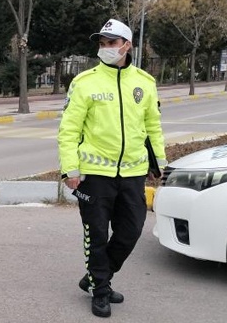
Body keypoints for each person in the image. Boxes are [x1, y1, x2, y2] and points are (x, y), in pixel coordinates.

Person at [57, 19, 167, 318]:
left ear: (127, 45)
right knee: (97, 236)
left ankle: (94, 277)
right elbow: (68, 130)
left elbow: (152, 127)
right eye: (102, 43)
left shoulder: (144, 82)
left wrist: (161, 164)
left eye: (111, 43)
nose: (105, 48)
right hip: (94, 175)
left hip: (133, 173)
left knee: (130, 232)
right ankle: (101, 290)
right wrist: (70, 170)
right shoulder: (84, 82)